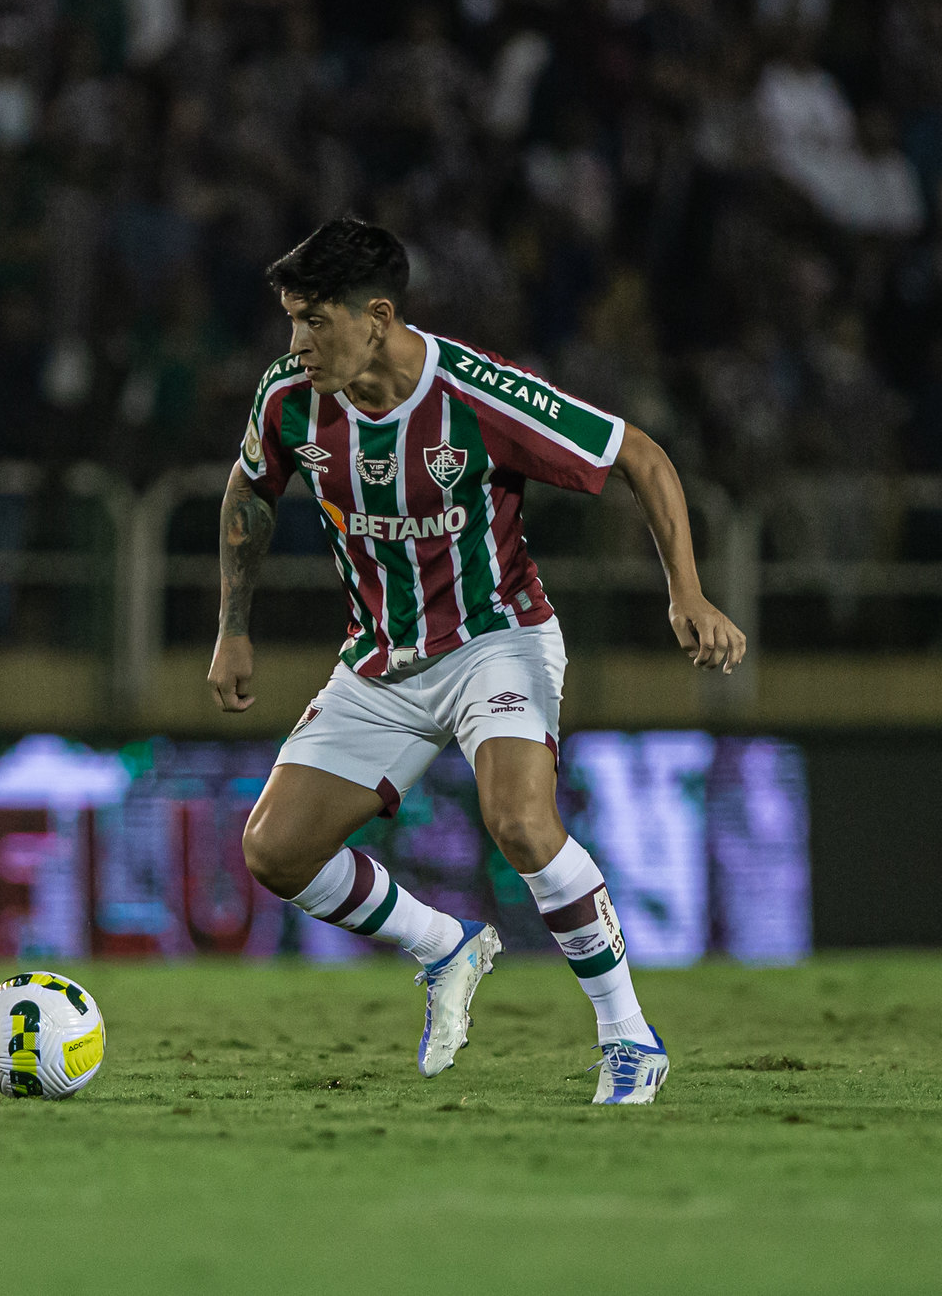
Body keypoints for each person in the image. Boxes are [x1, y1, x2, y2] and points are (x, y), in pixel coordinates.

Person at [206, 217, 746, 1106]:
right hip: (381, 660)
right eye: (291, 322)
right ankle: (444, 946)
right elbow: (249, 488)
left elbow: (639, 456)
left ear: (376, 317)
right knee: (273, 850)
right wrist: (233, 624)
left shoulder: (477, 395)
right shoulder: (288, 399)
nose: (297, 343)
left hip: (496, 639)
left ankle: (629, 1036)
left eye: (315, 321)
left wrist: (685, 592)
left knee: (522, 823)